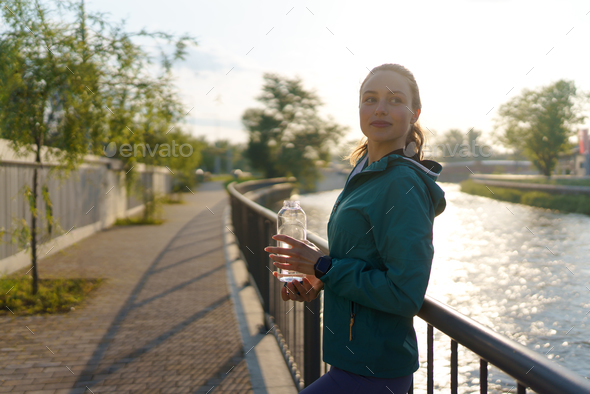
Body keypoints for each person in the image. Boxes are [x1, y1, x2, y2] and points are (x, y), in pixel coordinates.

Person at [264, 63, 447, 394]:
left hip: (375, 373)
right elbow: (362, 258)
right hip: (348, 362)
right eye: (370, 99)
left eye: (394, 100)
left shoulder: (403, 184)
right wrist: (318, 279)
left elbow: (405, 293)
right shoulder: (365, 172)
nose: (379, 108)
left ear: (414, 113)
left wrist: (324, 265)